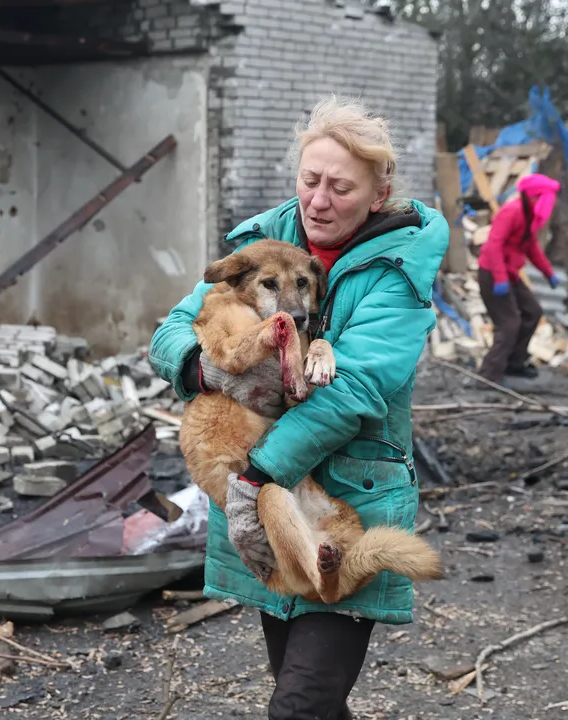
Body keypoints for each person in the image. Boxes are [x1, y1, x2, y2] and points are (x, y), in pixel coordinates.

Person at [148, 95, 449, 720]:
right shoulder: (260, 245)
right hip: (260, 503)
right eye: (310, 180)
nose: (318, 200)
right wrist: (203, 368)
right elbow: (174, 326)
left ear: (378, 190)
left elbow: (357, 390)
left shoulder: (398, 270)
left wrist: (259, 475)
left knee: (299, 705)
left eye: (340, 187)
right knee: (308, 698)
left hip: (346, 498)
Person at [475, 173, 563, 382]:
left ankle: (514, 363)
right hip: (493, 273)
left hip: (510, 273)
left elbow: (530, 247)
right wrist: (499, 278)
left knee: (533, 312)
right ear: (535, 197)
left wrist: (548, 272)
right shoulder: (512, 211)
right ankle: (489, 374)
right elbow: (493, 245)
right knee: (509, 323)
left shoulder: (528, 215)